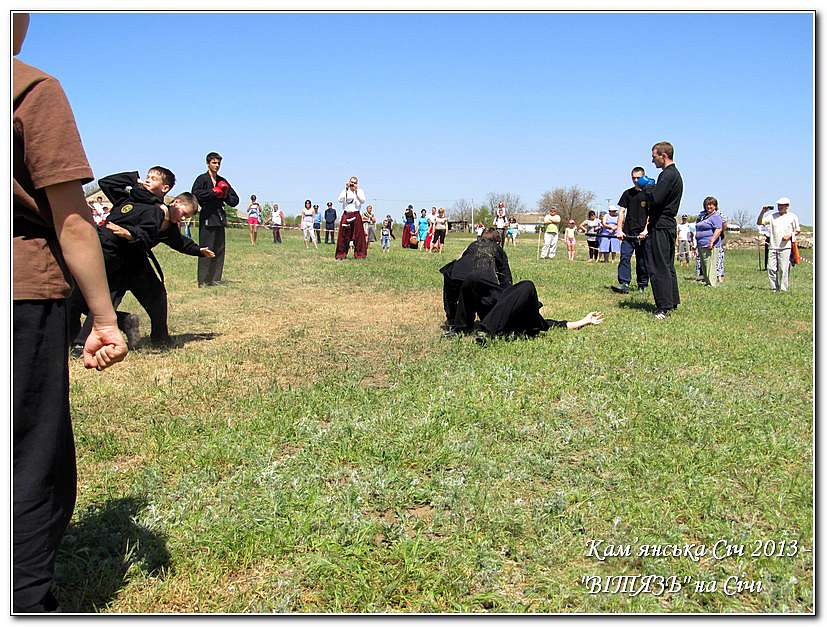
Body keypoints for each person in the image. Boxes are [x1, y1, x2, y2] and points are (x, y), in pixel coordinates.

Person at [13, 14, 128, 612]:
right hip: (21, 292)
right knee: (29, 454)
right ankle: (26, 603)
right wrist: (104, 318)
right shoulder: (29, 87)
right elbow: (70, 215)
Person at [68, 171, 210, 349]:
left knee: (157, 296)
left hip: (137, 264)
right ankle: (83, 342)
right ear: (176, 202)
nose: (182, 219)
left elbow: (179, 242)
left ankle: (160, 338)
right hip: (115, 260)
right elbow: (106, 183)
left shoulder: (167, 222)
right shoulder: (133, 200)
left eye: (186, 217)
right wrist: (132, 178)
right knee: (90, 302)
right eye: (183, 214)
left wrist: (198, 250)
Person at [440, 229, 604, 343]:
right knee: (473, 279)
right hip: (495, 310)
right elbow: (506, 286)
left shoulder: (530, 320)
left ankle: (486, 331)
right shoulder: (527, 312)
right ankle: (460, 327)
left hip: (500, 320)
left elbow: (553, 324)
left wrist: (584, 321)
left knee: (527, 285)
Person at [639, 141, 683, 320]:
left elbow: (656, 199)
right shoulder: (673, 174)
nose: (652, 161)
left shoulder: (667, 175)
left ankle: (663, 307)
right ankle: (671, 301)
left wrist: (647, 187)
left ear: (663, 156)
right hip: (667, 224)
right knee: (666, 264)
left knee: (658, 266)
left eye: (654, 156)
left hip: (661, 224)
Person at [191, 151, 239, 287]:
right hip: (207, 216)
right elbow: (195, 194)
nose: (217, 165)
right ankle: (203, 280)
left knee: (219, 249)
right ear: (208, 164)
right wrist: (212, 192)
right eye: (214, 162)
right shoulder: (202, 179)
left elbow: (235, 200)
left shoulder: (222, 181)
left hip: (219, 218)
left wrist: (224, 195)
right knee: (206, 248)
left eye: (218, 163)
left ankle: (215, 279)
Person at [612, 167, 650, 292]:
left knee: (642, 260)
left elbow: (651, 214)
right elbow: (622, 212)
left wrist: (645, 230)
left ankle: (642, 285)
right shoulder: (627, 193)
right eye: (633, 177)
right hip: (628, 233)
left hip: (642, 235)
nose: (635, 180)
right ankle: (624, 283)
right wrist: (619, 230)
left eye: (638, 177)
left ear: (644, 177)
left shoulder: (649, 194)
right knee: (624, 257)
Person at [758, 197, 800, 292]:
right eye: (779, 205)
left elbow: (797, 230)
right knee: (771, 268)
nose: (780, 207)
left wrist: (789, 235)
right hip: (773, 246)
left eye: (782, 205)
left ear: (787, 206)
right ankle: (774, 288)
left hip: (785, 247)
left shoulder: (792, 216)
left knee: (783, 269)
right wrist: (763, 212)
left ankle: (783, 288)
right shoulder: (772, 216)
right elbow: (760, 222)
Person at [694, 196, 724, 287]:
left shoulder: (716, 216)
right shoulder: (703, 216)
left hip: (710, 244)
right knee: (704, 265)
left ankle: (712, 284)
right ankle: (707, 282)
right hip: (701, 244)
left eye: (711, 205)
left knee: (710, 265)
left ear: (715, 206)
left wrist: (712, 241)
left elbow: (718, 229)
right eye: (707, 205)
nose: (709, 206)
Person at [335, 176, 367, 260]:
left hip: (356, 214)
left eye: (355, 183)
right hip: (346, 214)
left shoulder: (360, 191)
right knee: (343, 236)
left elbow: (363, 201)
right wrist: (346, 189)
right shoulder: (345, 191)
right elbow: (340, 200)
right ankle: (341, 254)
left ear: (357, 184)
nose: (353, 184)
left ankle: (360, 254)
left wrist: (356, 192)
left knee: (359, 236)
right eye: (351, 182)